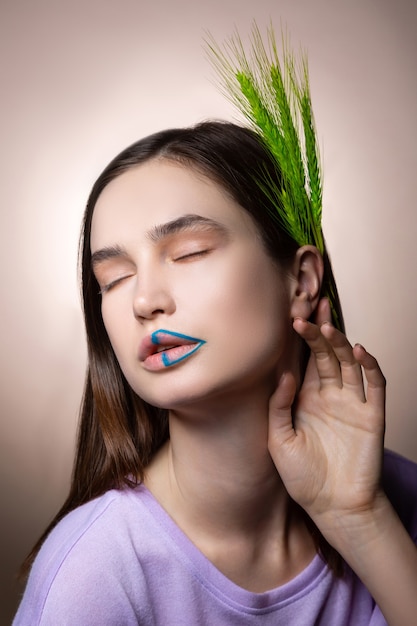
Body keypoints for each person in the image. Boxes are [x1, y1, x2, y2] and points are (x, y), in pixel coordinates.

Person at [13, 121, 417, 625]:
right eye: (113, 279)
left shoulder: (393, 498)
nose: (144, 300)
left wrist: (361, 520)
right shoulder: (93, 575)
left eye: (189, 253)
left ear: (302, 280)